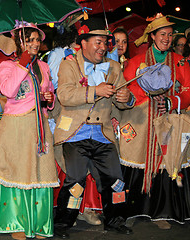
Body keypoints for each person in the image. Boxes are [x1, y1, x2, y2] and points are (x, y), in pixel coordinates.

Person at [53, 18, 135, 238]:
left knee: (117, 181)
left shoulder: (114, 67)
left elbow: (121, 99)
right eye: (98, 42)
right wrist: (94, 91)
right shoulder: (69, 64)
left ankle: (116, 220)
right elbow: (65, 95)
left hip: (102, 133)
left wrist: (126, 98)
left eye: (105, 43)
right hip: (74, 133)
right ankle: (62, 223)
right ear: (84, 42)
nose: (103, 47)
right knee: (76, 181)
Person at [120, 14, 190, 230]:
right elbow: (129, 90)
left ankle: (161, 212)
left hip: (167, 123)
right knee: (137, 162)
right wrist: (135, 98)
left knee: (165, 164)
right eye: (162, 34)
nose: (167, 39)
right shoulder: (135, 62)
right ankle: (132, 210)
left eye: (170, 35)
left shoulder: (180, 62)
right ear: (152, 36)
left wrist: (171, 102)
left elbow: (188, 90)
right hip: (142, 124)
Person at [0, 21, 59, 240]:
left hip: (39, 126)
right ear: (19, 42)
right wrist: (22, 63)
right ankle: (16, 221)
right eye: (29, 40)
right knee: (18, 170)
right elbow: (9, 91)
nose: (35, 44)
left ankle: (40, 222)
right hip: (17, 126)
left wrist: (49, 99)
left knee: (41, 170)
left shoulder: (45, 67)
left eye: (38, 40)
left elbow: (49, 94)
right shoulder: (7, 66)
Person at [47, 24, 102, 226]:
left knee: (89, 163)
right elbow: (56, 86)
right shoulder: (60, 56)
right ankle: (65, 210)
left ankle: (86, 207)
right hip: (65, 114)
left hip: (89, 116)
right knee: (68, 164)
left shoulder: (96, 58)